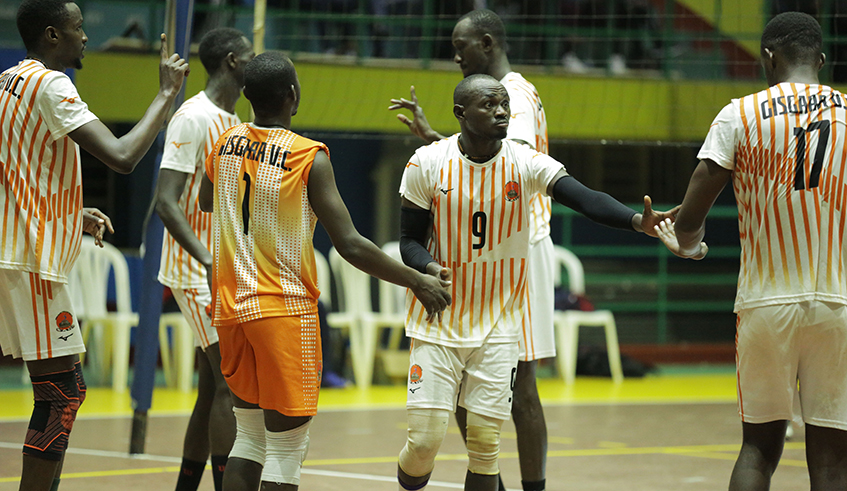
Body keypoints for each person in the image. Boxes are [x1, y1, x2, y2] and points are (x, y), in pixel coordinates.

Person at [396, 73, 676, 491]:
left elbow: (583, 197)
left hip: (499, 324)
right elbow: (408, 240)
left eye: (503, 103)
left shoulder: (524, 161)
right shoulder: (427, 162)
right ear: (460, 114)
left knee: (485, 447)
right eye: (489, 104)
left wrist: (637, 221)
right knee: (423, 445)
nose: (501, 110)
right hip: (439, 318)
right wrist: (427, 268)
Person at [197, 51, 451, 491]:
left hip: (229, 306)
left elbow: (204, 201)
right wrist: (418, 280)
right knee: (286, 448)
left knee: (250, 439)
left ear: (247, 95)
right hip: (281, 310)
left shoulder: (222, 143)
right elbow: (350, 244)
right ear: (293, 96)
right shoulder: (307, 157)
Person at [654, 11, 847, 491]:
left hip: (765, 303)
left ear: (767, 57)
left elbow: (700, 190)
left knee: (758, 449)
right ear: (821, 60)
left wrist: (689, 242)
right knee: (833, 460)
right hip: (838, 304)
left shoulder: (738, 113)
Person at [0, 1, 188, 490]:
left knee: (56, 390)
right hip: (30, 262)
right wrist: (165, 95)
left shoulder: (7, 80)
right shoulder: (52, 83)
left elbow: (18, 169)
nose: (85, 37)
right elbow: (123, 156)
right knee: (62, 394)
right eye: (78, 28)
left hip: (13, 251)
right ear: (51, 35)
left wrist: (68, 212)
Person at [390, 9, 552, 491]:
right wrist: (437, 140)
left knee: (516, 385)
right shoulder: (513, 89)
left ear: (486, 42)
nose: (454, 54)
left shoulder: (513, 95)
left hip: (513, 246)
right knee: (486, 383)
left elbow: (501, 164)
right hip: (496, 246)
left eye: (461, 45)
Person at [153, 27, 253, 491]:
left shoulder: (235, 123)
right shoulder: (192, 118)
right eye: (250, 57)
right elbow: (166, 201)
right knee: (232, 385)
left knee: (211, 387)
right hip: (195, 270)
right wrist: (207, 261)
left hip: (222, 269)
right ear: (233, 61)